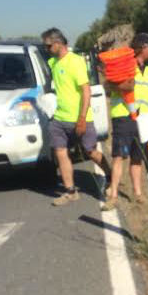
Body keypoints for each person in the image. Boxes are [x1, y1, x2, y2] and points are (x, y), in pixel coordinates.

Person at [41, 27, 112, 206]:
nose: (46, 49)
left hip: (80, 118)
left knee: (91, 151)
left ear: (58, 43)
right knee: (60, 152)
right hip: (59, 118)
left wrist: (81, 118)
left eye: (48, 46)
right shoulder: (53, 63)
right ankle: (70, 191)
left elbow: (86, 91)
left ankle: (111, 176)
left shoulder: (76, 62)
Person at [102, 32, 148, 210]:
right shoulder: (125, 65)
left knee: (137, 158)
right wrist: (122, 86)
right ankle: (113, 195)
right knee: (119, 156)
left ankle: (138, 193)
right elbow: (108, 85)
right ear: (143, 47)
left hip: (143, 119)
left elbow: (147, 97)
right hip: (123, 116)